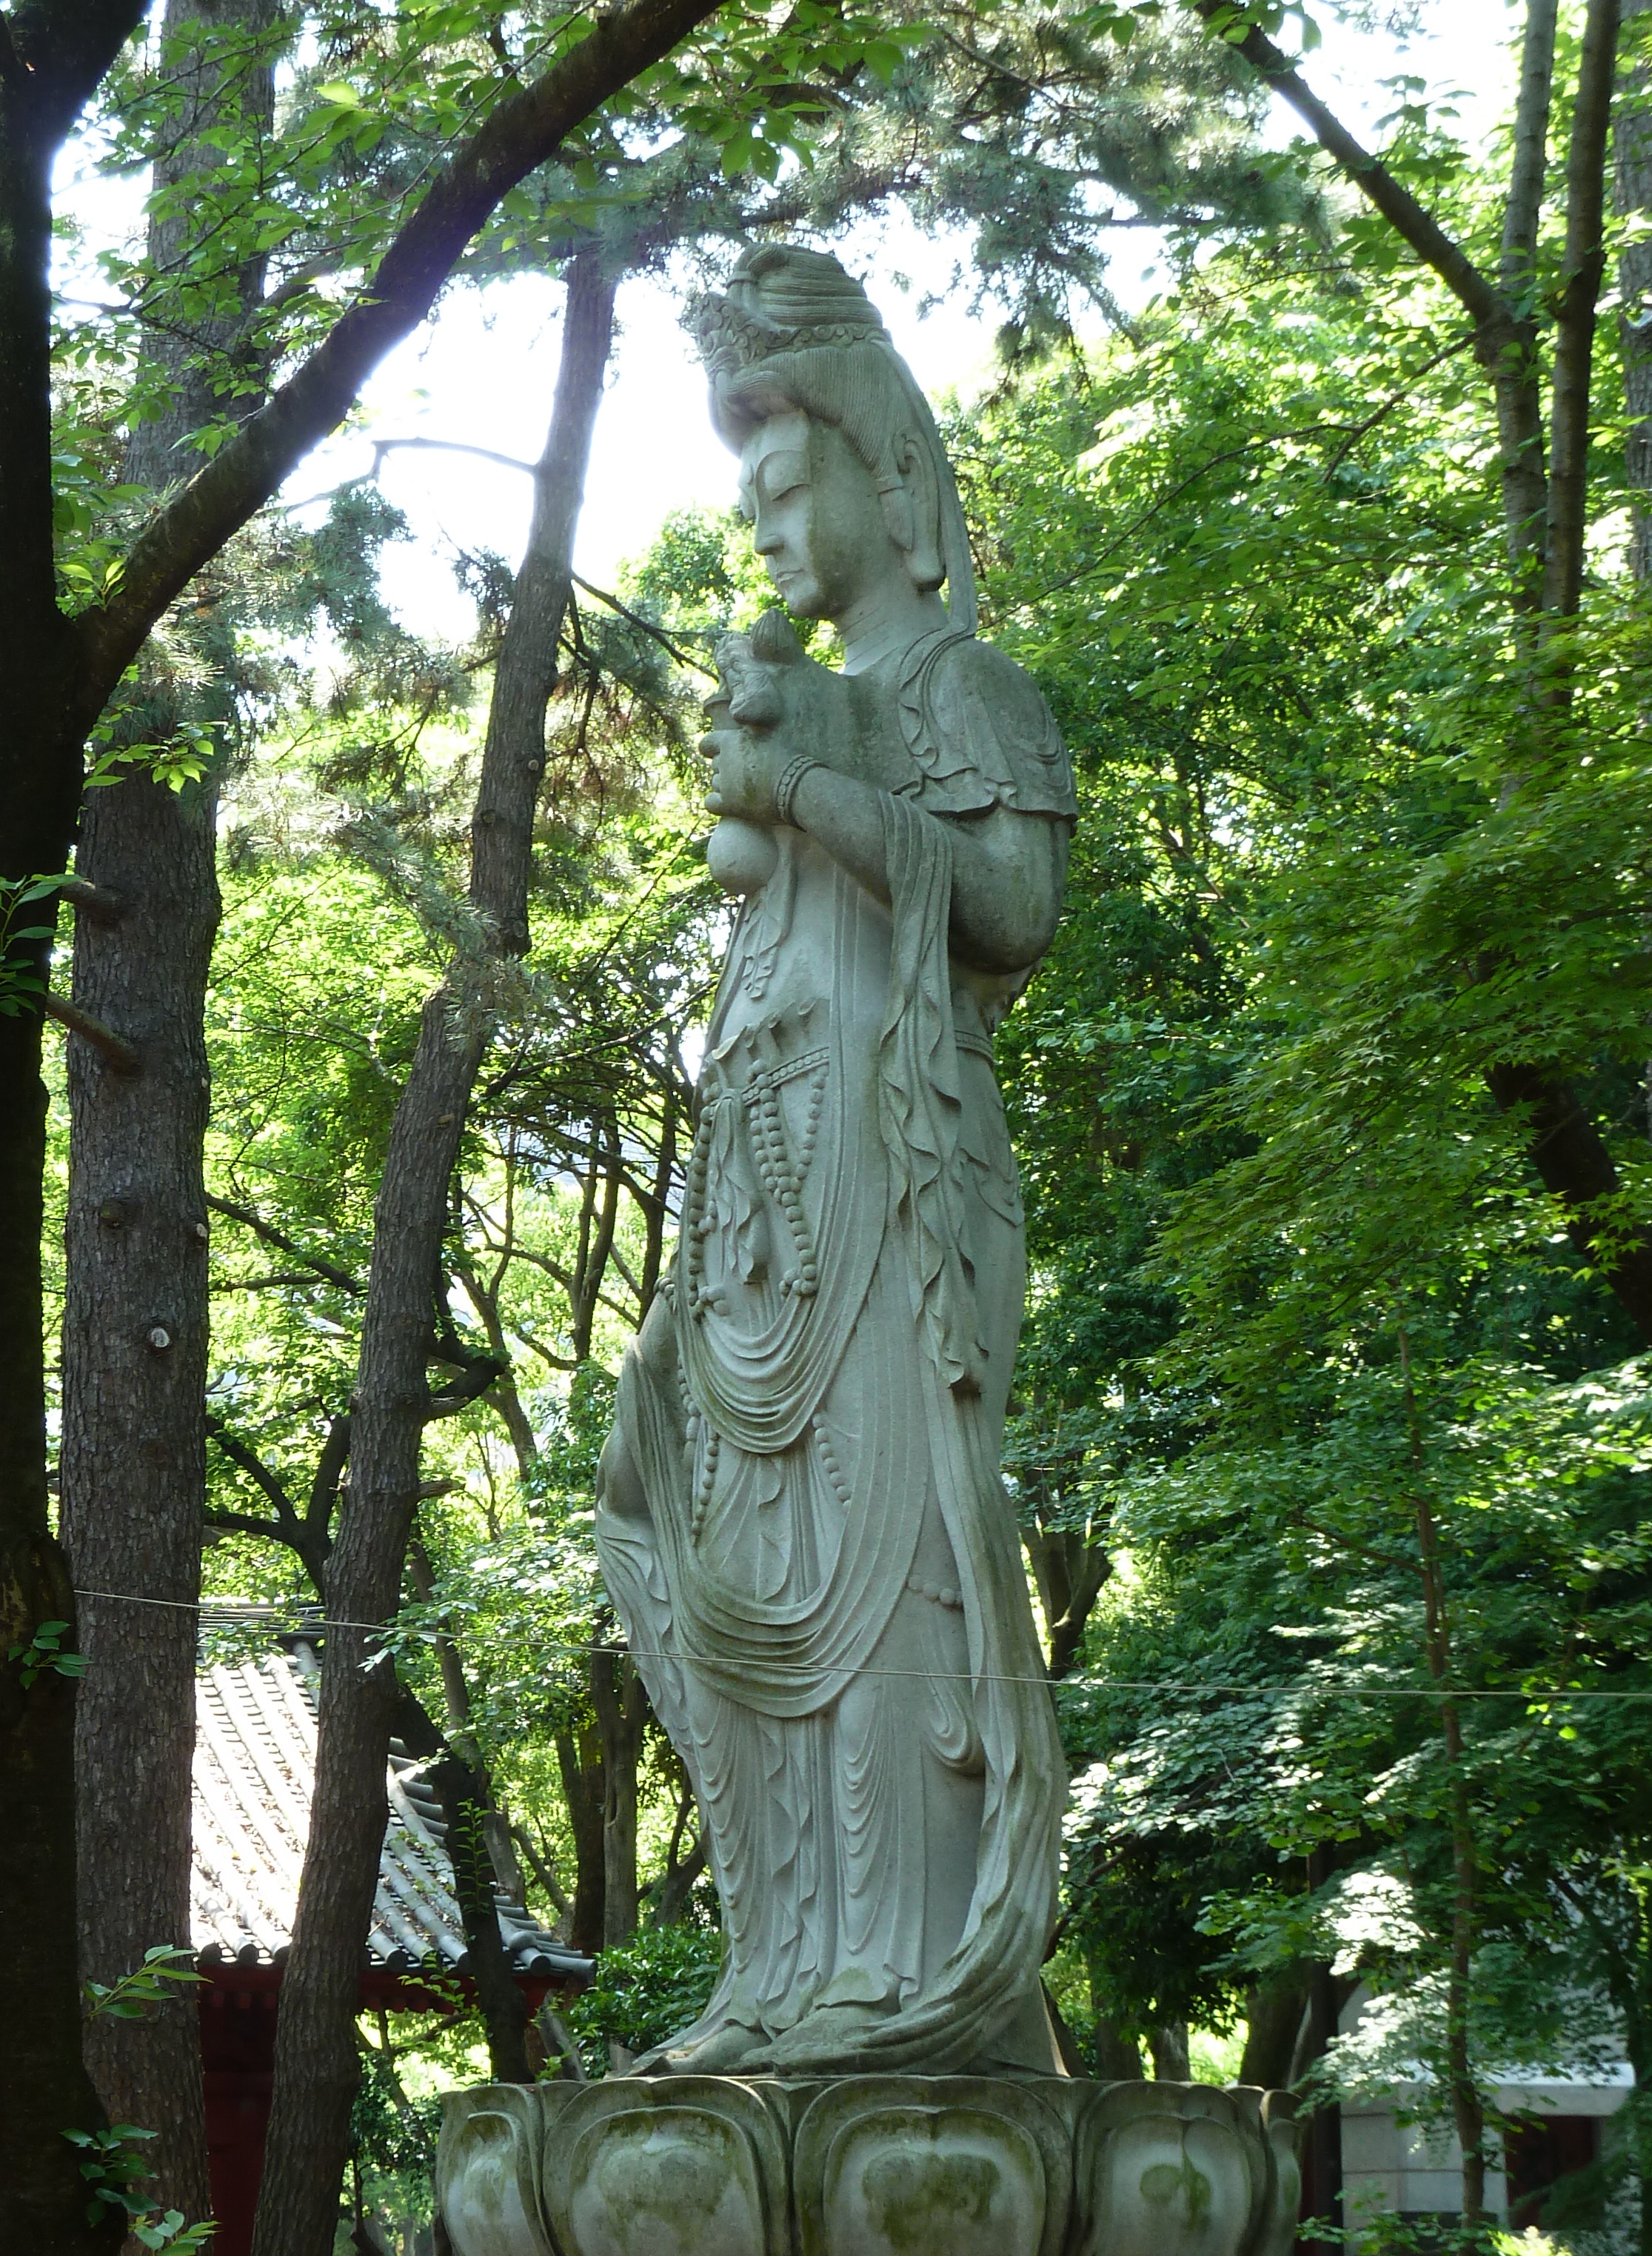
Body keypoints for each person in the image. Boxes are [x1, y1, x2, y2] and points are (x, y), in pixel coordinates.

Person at [595, 243, 1079, 2078]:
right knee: (713, 1545)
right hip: (758, 1218)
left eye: (787, 482)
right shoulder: (798, 699)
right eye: (748, 493)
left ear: (885, 471)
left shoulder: (959, 686)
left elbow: (1014, 909)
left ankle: (906, 1981)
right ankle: (783, 1965)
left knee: (891, 1577)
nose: (766, 527)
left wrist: (808, 786)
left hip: (898, 1185)